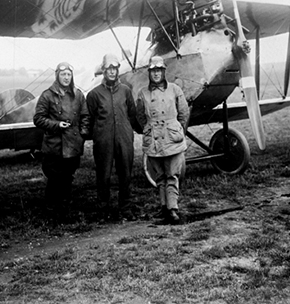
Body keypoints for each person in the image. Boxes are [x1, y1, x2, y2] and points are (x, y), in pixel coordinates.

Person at [86, 53, 141, 220]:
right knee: (103, 175)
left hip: (124, 138)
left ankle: (126, 208)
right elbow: (90, 118)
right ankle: (103, 209)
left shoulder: (126, 91)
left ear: (118, 70)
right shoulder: (94, 94)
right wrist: (100, 134)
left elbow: (132, 114)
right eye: (108, 68)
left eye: (114, 68)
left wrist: (128, 130)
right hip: (103, 140)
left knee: (126, 174)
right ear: (103, 70)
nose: (112, 71)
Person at [136, 56, 190, 224]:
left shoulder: (175, 89)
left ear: (164, 72)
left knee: (172, 174)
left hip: (172, 138)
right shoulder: (142, 93)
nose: (156, 74)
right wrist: (150, 128)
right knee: (160, 176)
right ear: (149, 73)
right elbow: (140, 116)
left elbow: (184, 113)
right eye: (153, 71)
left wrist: (175, 129)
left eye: (159, 70)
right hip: (154, 140)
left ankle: (173, 209)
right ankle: (164, 207)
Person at [33, 62, 90, 217]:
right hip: (54, 146)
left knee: (68, 178)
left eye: (69, 75)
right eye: (63, 74)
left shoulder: (78, 95)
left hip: (72, 145)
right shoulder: (47, 95)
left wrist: (82, 134)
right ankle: (51, 210)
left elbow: (85, 116)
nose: (66, 78)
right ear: (57, 76)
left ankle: (65, 209)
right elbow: (38, 118)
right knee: (54, 179)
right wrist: (57, 125)